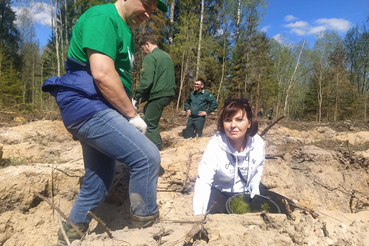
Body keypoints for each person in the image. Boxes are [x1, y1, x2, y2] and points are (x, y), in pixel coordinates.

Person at [41, 0, 168, 244]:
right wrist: (131, 115)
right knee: (147, 157)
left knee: (97, 183)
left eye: (153, 10)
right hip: (88, 106)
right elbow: (101, 73)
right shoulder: (103, 17)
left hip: (98, 108)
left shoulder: (125, 31)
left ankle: (67, 239)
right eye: (148, 4)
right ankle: (148, 235)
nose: (149, 13)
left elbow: (116, 76)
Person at [193, 98, 265, 215]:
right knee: (215, 215)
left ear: (249, 122)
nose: (233, 125)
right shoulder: (215, 145)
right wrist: (198, 216)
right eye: (228, 120)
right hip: (221, 192)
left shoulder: (257, 143)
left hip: (246, 192)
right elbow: (204, 181)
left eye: (239, 120)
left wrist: (255, 181)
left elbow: (259, 165)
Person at [132, 32, 175, 150]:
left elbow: (147, 81)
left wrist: (136, 97)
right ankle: (156, 143)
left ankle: (154, 149)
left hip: (158, 94)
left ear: (147, 44)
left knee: (150, 123)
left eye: (143, 49)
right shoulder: (166, 56)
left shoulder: (150, 57)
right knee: (148, 111)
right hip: (168, 94)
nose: (144, 52)